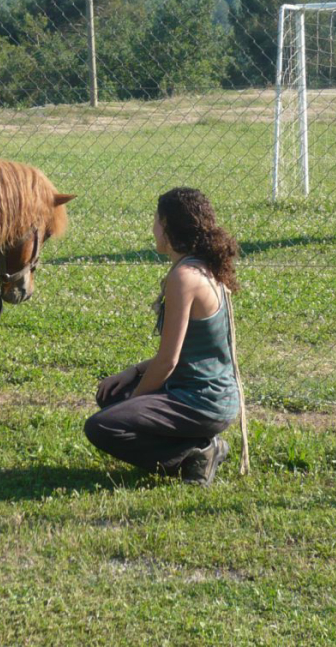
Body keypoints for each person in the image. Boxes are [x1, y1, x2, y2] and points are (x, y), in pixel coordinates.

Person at [85, 187, 241, 486]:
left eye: (156, 220)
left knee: (103, 426)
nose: (152, 228)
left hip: (202, 401)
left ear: (168, 226)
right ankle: (200, 443)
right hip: (209, 396)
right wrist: (132, 373)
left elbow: (168, 361)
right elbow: (182, 353)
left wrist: (135, 401)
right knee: (111, 394)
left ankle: (197, 454)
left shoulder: (184, 278)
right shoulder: (201, 267)